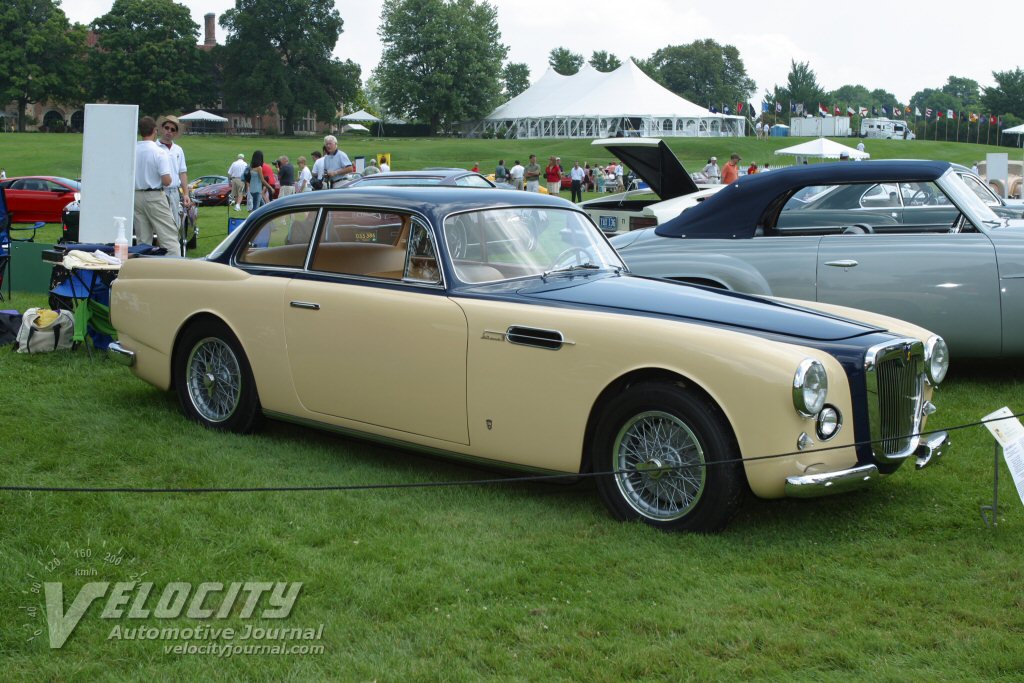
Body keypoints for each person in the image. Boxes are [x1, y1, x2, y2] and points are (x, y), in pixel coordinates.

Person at [133, 116, 178, 252]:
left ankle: (143, 264)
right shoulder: (159, 151)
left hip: (137, 195)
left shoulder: (133, 150)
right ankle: (174, 263)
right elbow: (166, 181)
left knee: (142, 239)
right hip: (154, 195)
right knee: (169, 236)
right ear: (155, 130)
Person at [156, 114, 192, 250]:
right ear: (161, 129)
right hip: (159, 191)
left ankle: (171, 252)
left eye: (172, 129)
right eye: (167, 128)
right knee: (161, 225)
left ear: (176, 133)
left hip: (174, 191)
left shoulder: (178, 150)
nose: (169, 131)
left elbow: (182, 173)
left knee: (175, 224)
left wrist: (186, 194)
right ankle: (161, 252)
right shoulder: (155, 147)